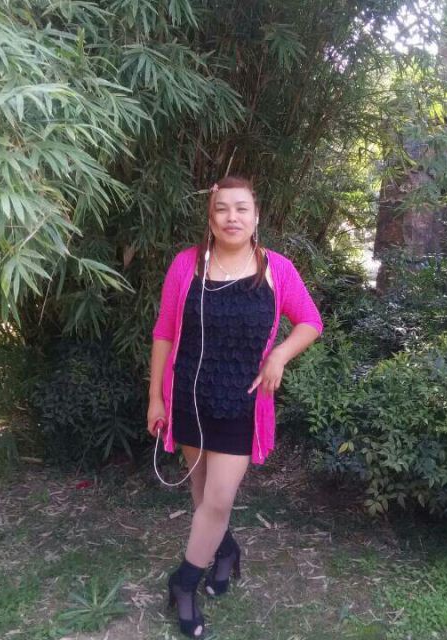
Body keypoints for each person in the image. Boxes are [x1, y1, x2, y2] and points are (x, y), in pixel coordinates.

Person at [147, 175, 323, 638]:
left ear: (256, 216)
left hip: (241, 404)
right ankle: (225, 553)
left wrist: (279, 355)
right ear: (211, 218)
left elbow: (310, 321)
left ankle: (184, 582)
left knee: (220, 498)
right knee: (202, 495)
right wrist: (155, 397)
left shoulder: (276, 268)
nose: (232, 217)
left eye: (241, 208)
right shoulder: (186, 265)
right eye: (222, 208)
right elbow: (164, 332)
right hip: (189, 397)